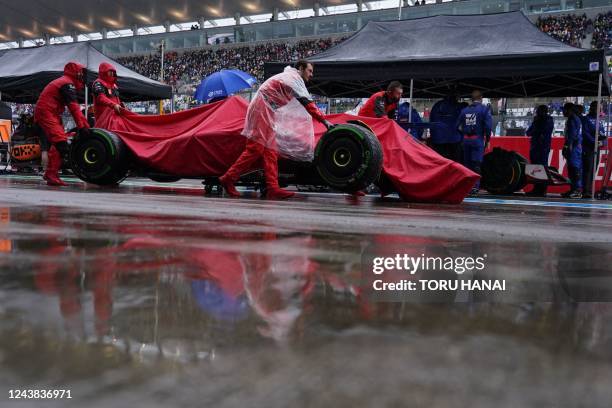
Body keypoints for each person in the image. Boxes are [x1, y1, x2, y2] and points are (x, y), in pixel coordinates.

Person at [219, 60, 333, 200]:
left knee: (271, 151)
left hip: (267, 110)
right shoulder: (293, 78)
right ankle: (228, 178)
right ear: (301, 68)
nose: (311, 74)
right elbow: (307, 104)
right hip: (262, 108)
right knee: (255, 149)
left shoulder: (290, 77)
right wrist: (324, 121)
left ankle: (273, 188)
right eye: (309, 71)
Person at [34, 61, 90, 186]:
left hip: (50, 112)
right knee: (61, 142)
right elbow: (74, 107)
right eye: (81, 74)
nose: (83, 77)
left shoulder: (65, 82)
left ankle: (51, 174)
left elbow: (73, 107)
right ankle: (51, 174)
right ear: (77, 73)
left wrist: (83, 125)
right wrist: (83, 126)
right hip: (47, 112)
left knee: (59, 141)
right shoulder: (67, 83)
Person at [456, 90, 492, 195]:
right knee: (476, 163)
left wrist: (464, 134)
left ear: (472, 99)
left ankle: (467, 187)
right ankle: (475, 187)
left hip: (466, 140)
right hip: (477, 139)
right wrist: (488, 140)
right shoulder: (484, 110)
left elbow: (457, 126)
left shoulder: (464, 110)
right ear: (481, 98)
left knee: (467, 164)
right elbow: (488, 127)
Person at [526, 105, 555, 196]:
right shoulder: (536, 120)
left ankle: (542, 189)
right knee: (535, 167)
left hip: (543, 147)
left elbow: (542, 130)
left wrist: (536, 127)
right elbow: (529, 132)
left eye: (539, 111)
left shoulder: (548, 119)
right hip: (535, 146)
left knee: (542, 167)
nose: (537, 112)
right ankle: (536, 188)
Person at [581, 101, 606, 198]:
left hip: (597, 148)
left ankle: (590, 189)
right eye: (596, 108)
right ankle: (585, 190)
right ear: (592, 108)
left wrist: (602, 142)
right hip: (588, 148)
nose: (599, 110)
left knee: (594, 169)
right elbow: (585, 133)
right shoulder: (586, 119)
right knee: (588, 169)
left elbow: (603, 133)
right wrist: (594, 142)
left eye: (600, 108)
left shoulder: (599, 120)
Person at [429, 92, 464, 163]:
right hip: (454, 139)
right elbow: (461, 124)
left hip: (438, 139)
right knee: (455, 163)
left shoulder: (436, 105)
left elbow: (431, 121)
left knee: (440, 162)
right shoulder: (457, 106)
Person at [561, 103, 583, 198]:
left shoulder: (573, 119)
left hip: (574, 147)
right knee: (571, 169)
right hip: (574, 146)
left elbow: (572, 136)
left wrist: (567, 147)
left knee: (574, 168)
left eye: (565, 110)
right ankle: (573, 189)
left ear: (569, 110)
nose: (563, 112)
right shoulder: (574, 118)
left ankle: (577, 190)